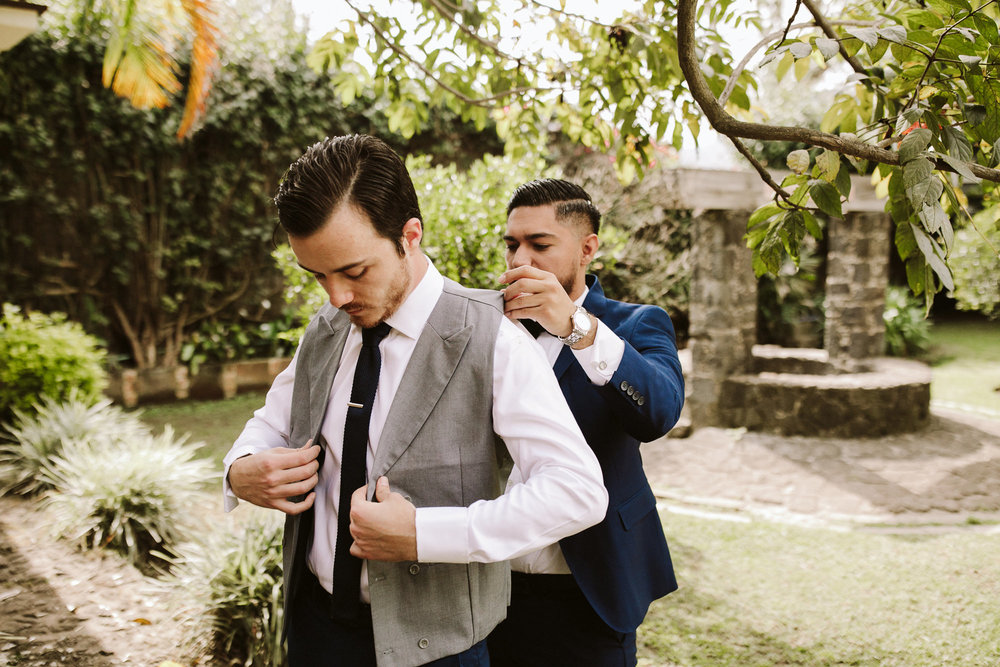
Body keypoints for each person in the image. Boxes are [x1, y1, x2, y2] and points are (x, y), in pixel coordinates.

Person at [222, 137, 608, 667]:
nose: (336, 297)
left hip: (439, 650)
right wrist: (240, 469)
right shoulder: (326, 327)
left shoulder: (493, 336)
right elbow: (273, 421)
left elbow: (577, 491)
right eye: (318, 275)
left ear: (410, 235)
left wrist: (426, 534)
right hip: (314, 630)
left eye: (354, 272)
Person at [487, 179, 685, 666]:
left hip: (592, 588)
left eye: (540, 244)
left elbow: (659, 412)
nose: (519, 260)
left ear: (587, 248)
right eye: (512, 244)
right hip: (489, 586)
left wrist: (576, 329)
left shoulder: (638, 325)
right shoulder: (487, 326)